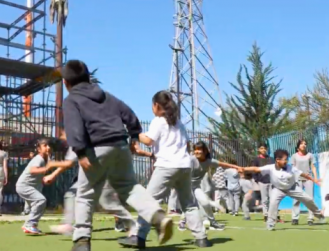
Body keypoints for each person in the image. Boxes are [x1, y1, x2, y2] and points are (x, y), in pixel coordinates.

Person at [60, 60, 172, 251]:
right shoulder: (106, 96)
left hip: (96, 149)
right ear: (88, 78)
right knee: (130, 187)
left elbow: (74, 127)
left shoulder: (71, 100)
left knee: (85, 195)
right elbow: (129, 114)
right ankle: (157, 216)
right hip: (120, 145)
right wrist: (134, 136)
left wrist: (80, 152)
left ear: (66, 83)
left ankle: (81, 241)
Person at [120, 90, 212, 248]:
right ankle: (201, 238)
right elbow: (186, 144)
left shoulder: (159, 121)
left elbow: (148, 140)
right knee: (189, 204)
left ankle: (138, 236)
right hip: (184, 166)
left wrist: (134, 132)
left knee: (148, 202)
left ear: (156, 105)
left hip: (166, 166)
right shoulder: (178, 123)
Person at [46, 130, 143, 235]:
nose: (62, 138)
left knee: (107, 203)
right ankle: (71, 226)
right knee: (72, 195)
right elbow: (70, 162)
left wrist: (51, 165)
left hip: (105, 174)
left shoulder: (77, 139)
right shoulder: (77, 140)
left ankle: (133, 224)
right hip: (91, 175)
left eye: (63, 135)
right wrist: (53, 174)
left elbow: (69, 163)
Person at [243, 149, 325, 231]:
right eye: (284, 160)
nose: (286, 161)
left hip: (292, 188)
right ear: (277, 160)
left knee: (308, 199)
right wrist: (244, 169)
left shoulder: (290, 168)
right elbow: (256, 169)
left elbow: (302, 174)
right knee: (273, 204)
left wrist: (313, 179)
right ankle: (270, 223)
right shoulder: (271, 167)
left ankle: (319, 215)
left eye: (287, 159)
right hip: (278, 189)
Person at [177, 141, 235, 231]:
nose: (197, 151)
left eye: (199, 149)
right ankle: (182, 222)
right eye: (195, 149)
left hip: (196, 187)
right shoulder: (191, 160)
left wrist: (238, 168)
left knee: (205, 203)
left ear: (205, 151)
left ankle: (213, 222)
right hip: (185, 187)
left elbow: (222, 164)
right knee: (189, 206)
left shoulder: (209, 161)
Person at [15, 138, 52, 235]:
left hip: (29, 186)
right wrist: (46, 169)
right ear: (39, 149)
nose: (48, 147)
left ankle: (31, 225)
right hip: (24, 186)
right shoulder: (39, 158)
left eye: (48, 145)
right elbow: (33, 170)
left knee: (38, 205)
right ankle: (30, 224)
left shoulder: (45, 159)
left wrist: (44, 179)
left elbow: (38, 174)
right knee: (41, 201)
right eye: (45, 146)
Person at [252, 143, 283, 222]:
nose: (263, 150)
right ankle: (266, 215)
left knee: (273, 199)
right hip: (262, 182)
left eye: (265, 148)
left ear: (267, 149)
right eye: (261, 148)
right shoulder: (256, 160)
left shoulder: (271, 159)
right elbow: (254, 170)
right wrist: (257, 179)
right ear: (259, 150)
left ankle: (275, 215)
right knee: (264, 200)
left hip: (272, 181)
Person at [290, 139, 318, 225]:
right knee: (296, 199)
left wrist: (315, 178)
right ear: (298, 146)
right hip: (297, 179)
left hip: (308, 179)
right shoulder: (294, 156)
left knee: (310, 199)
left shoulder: (310, 155)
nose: (304, 145)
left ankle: (310, 219)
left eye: (305, 144)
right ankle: (295, 218)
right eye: (302, 144)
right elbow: (292, 169)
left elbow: (313, 167)